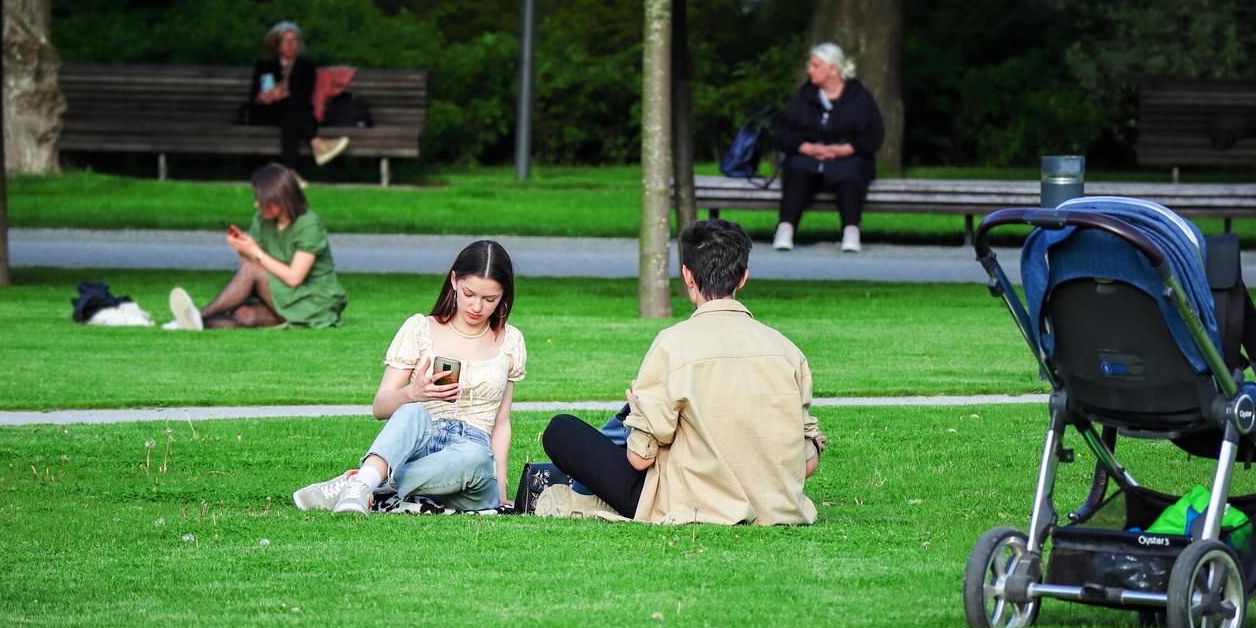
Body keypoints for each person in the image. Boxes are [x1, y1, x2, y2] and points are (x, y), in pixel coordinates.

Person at [542, 219, 824, 525]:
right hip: (776, 505)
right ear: (743, 278)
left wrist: (639, 411)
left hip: (690, 502)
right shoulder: (786, 349)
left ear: (687, 275)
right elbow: (806, 463)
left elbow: (640, 459)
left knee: (562, 430)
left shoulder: (673, 344)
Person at [293, 240, 527, 514]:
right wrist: (413, 393)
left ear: (503, 296)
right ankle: (364, 484)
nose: (477, 306)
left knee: (474, 456)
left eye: (490, 299)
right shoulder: (420, 328)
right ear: (454, 281)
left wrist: (500, 489)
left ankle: (362, 482)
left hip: (470, 462)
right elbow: (380, 408)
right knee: (411, 411)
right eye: (469, 294)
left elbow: (501, 423)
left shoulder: (510, 340)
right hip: (421, 442)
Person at [168, 163, 347, 330]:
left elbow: (294, 278)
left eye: (261, 200)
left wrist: (256, 252)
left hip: (313, 300)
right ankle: (190, 324)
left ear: (279, 200)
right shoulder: (262, 220)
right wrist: (242, 249)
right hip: (285, 295)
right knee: (244, 314)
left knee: (252, 271)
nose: (256, 205)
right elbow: (248, 269)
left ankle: (197, 315)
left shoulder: (308, 225)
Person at [772, 42, 884, 253]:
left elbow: (874, 134)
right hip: (809, 159)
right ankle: (785, 228)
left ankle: (851, 231)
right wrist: (805, 147)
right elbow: (783, 133)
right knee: (798, 169)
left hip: (848, 158)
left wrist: (845, 150)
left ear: (832, 68)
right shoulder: (803, 97)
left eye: (815, 65)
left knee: (850, 172)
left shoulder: (859, 97)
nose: (810, 70)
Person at [246, 21, 350, 169]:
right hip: (268, 112)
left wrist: (282, 94)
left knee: (290, 114)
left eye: (294, 40)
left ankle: (290, 170)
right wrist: (262, 98)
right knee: (292, 111)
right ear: (276, 44)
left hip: (293, 114)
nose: (291, 44)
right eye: (286, 40)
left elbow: (303, 96)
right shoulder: (264, 66)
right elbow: (253, 98)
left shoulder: (307, 67)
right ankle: (317, 143)